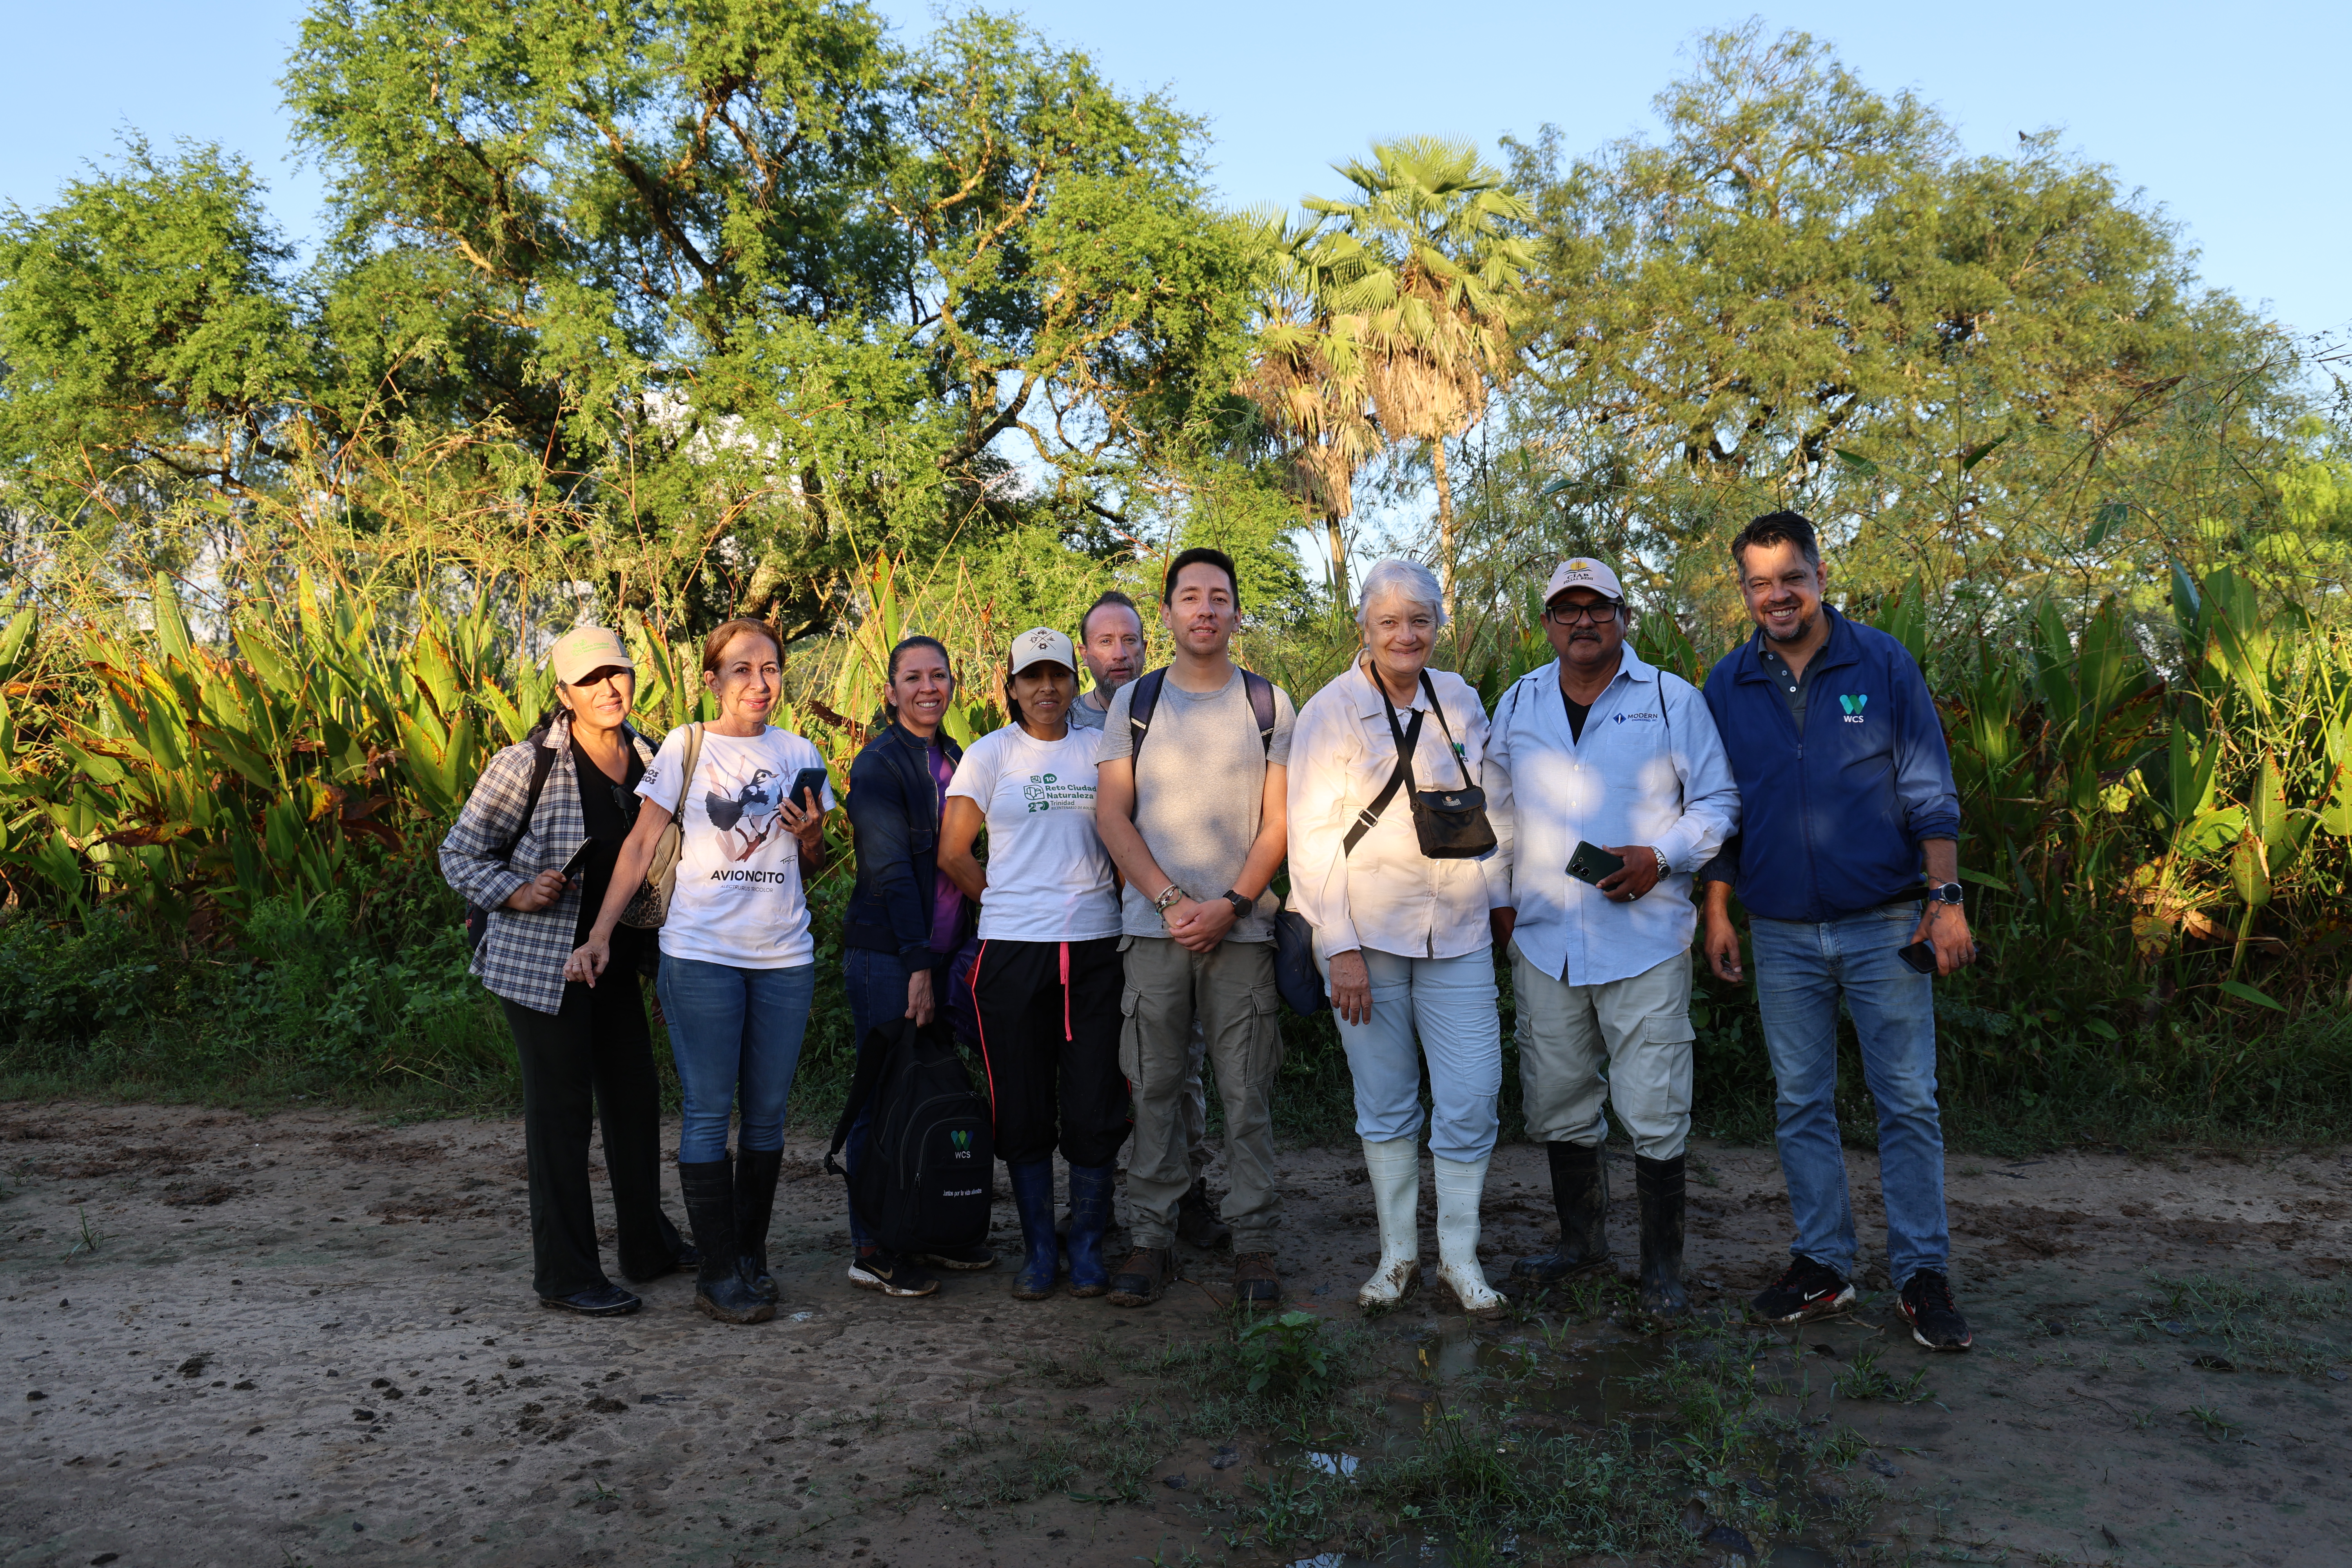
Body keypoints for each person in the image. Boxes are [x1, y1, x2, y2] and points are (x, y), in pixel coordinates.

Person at [1698, 511, 1978, 1351]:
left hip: (1886, 918)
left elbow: (1929, 787)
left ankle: (1922, 1273)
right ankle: (1823, 1262)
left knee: (1908, 1101)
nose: (1776, 595)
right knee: (1800, 1101)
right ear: (1744, 590)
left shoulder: (1881, 661)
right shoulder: (1727, 684)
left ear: (1820, 575)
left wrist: (1948, 895)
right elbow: (1724, 812)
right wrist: (1717, 906)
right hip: (1780, 930)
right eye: (1759, 582)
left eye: (1791, 576)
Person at [1485, 558, 1739, 1319]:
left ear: (1625, 617)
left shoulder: (1669, 697)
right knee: (1559, 1095)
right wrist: (1500, 902)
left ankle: (1662, 1268)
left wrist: (1658, 855)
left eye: (1599, 608)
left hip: (1646, 936)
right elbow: (1496, 810)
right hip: (1544, 936)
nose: (1584, 621)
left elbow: (1720, 799)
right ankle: (1580, 1243)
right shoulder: (1521, 700)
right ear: (1548, 624)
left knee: (1654, 1101)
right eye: (1568, 610)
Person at [566, 619, 832, 1326]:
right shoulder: (686, 747)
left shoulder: (801, 751)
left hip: (785, 958)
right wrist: (599, 935)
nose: (759, 682)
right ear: (711, 680)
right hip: (702, 957)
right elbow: (638, 847)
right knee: (711, 1113)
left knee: (770, 1117)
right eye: (741, 669)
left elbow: (813, 863)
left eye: (771, 668)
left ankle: (750, 1256)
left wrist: (812, 838)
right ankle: (717, 1273)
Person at [439, 626, 693, 1318]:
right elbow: (458, 855)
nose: (609, 688)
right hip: (541, 967)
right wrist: (516, 891)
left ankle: (647, 1246)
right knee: (561, 1119)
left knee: (635, 1105)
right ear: (563, 693)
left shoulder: (653, 755)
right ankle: (566, 1274)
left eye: (618, 673)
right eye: (590, 680)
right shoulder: (525, 765)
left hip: (614, 960)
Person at [1287, 560, 1509, 1315]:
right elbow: (1311, 840)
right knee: (1384, 1102)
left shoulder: (1462, 700)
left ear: (1438, 625)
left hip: (1460, 933)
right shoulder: (1332, 710)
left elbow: (1494, 809)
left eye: (1419, 620)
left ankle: (1460, 1257)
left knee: (1474, 1096)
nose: (1404, 635)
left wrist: (1502, 903)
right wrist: (1339, 948)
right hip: (1366, 941)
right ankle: (1398, 1256)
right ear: (1365, 627)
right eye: (1389, 622)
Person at [1094, 547, 1296, 1307]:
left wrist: (1233, 904)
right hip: (1153, 934)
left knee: (1247, 1091)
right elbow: (1112, 813)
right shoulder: (1134, 704)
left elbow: (1279, 824)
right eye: (1189, 596)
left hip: (1242, 934)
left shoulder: (1270, 703)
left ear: (1238, 612)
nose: (1205, 608)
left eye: (1219, 596)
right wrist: (1173, 900)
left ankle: (1254, 1242)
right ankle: (1151, 1236)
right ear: (1170, 611)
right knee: (1153, 1084)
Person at [936, 628, 1128, 1298]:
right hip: (1012, 951)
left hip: (1096, 948)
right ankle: (1039, 1250)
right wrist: (1010, 903)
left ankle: (1088, 1244)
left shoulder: (1101, 751)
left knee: (1094, 1098)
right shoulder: (990, 756)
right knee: (1019, 1100)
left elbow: (1125, 835)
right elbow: (955, 851)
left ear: (1075, 683)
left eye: (1059, 676)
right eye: (1032, 677)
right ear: (1011, 686)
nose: (1047, 688)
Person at [1069, 589, 1229, 1252]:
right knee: (1104, 1068)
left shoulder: (1170, 703)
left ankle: (1187, 1192)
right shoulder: (1063, 720)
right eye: (1105, 642)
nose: (1119, 653)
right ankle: (1098, 1202)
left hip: (1162, 919)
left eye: (1130, 640)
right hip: (1085, 923)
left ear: (1147, 641)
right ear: (1085, 652)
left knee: (1176, 1065)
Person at [836, 634, 987, 1298]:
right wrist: (918, 967)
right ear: (891, 691)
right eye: (914, 678)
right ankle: (872, 1247)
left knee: (927, 1094)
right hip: (890, 957)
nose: (930, 688)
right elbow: (894, 873)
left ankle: (924, 1229)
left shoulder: (953, 757)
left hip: (943, 955)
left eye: (940, 676)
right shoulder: (879, 767)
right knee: (883, 1098)